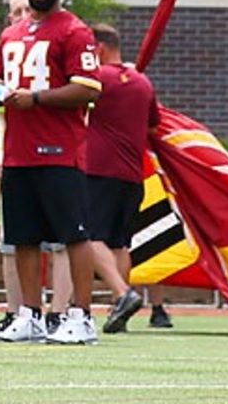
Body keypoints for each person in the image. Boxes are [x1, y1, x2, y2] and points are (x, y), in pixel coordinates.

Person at [0, 0, 101, 346]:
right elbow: (2, 80)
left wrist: (38, 98)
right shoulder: (11, 34)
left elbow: (90, 87)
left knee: (73, 235)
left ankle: (81, 315)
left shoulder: (74, 31)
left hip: (60, 148)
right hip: (18, 149)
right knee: (23, 236)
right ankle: (29, 314)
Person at [0, 0, 73, 337]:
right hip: (19, 155)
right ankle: (20, 312)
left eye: (25, 10)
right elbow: (1, 115)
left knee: (63, 240)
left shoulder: (64, 43)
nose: (19, 18)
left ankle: (60, 313)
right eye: (13, 12)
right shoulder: (11, 49)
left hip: (56, 152)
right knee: (16, 238)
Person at [87, 23, 160, 335]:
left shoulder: (98, 80)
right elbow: (154, 127)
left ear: (99, 49)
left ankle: (122, 293)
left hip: (98, 169)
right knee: (120, 243)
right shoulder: (143, 84)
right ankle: (121, 311)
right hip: (132, 175)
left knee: (86, 236)